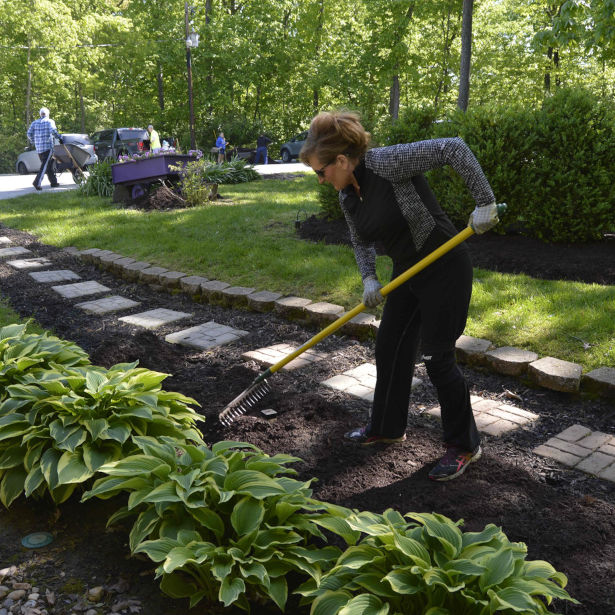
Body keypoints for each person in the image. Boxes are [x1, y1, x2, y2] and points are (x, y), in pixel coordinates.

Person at [300, 111, 500, 481]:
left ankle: (464, 446)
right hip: (407, 272)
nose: (321, 180)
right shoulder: (348, 195)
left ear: (341, 160)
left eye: (321, 172)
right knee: (389, 345)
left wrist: (484, 200)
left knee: (438, 359)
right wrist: (368, 278)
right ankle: (387, 427)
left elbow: (452, 148)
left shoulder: (386, 162)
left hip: (443, 265)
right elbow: (360, 240)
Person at [27, 107, 63, 190]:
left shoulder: (34, 123)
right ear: (48, 114)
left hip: (39, 148)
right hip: (48, 147)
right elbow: (54, 131)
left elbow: (29, 134)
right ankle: (37, 182)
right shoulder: (50, 121)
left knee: (48, 165)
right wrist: (60, 137)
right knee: (44, 166)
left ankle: (54, 183)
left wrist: (34, 141)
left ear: (40, 114)